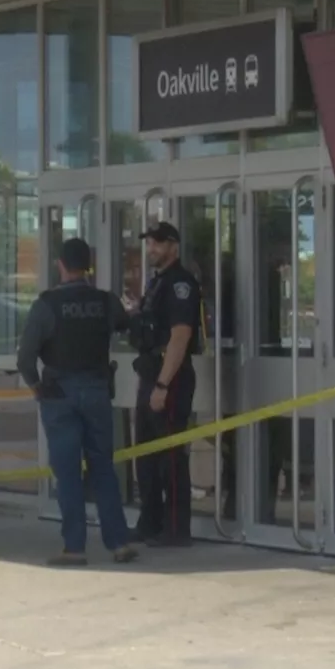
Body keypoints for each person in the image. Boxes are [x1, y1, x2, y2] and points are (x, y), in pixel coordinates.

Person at [17, 238, 138, 566]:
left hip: (59, 395)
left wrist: (37, 387)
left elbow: (25, 358)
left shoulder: (46, 305)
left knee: (67, 473)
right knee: (103, 469)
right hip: (98, 390)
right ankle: (119, 543)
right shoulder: (105, 301)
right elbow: (128, 324)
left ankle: (74, 547)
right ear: (88, 266)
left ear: (60, 265)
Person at [125, 221, 201, 548]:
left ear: (173, 245)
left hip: (169, 377)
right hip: (150, 374)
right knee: (146, 455)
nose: (151, 249)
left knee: (170, 457)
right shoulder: (158, 283)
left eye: (157, 243)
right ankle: (150, 522)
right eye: (149, 243)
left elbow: (180, 335)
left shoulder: (181, 284)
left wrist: (163, 384)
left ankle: (175, 528)